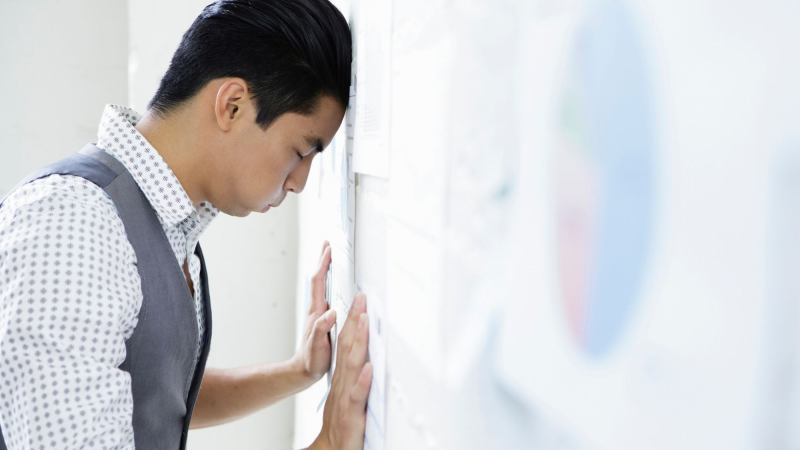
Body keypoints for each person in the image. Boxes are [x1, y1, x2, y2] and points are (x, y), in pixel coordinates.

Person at [0, 1, 371, 449]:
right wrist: (328, 443)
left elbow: (152, 395)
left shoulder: (162, 226)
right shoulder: (72, 224)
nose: (299, 182)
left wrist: (298, 372)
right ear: (232, 105)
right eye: (300, 151)